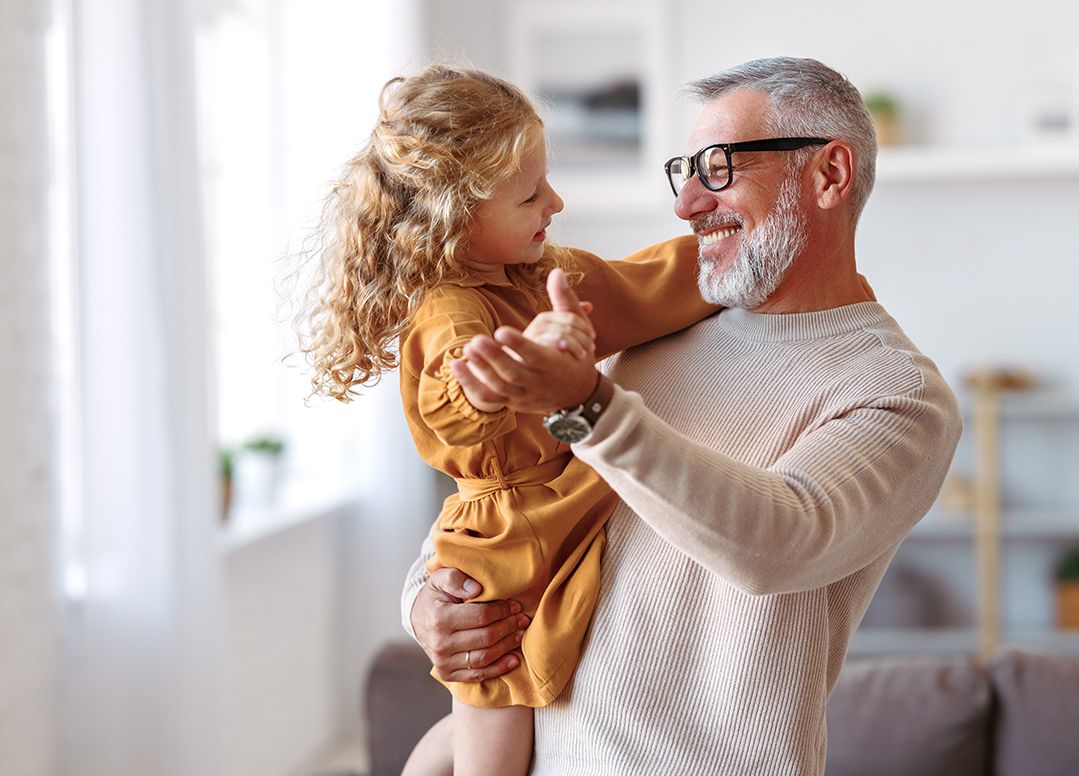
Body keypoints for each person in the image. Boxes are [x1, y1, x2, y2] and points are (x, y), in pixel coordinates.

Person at [402, 57, 964, 775]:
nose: (687, 203)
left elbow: (775, 542)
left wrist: (585, 404)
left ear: (828, 175)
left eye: (720, 168)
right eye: (685, 170)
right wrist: (427, 600)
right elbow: (508, 496)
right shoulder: (645, 333)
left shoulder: (894, 392)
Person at [294, 65, 717, 776]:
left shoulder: (542, 275)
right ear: (454, 216)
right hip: (500, 550)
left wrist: (728, 255)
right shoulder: (451, 309)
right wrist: (518, 370)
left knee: (491, 737)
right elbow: (457, 407)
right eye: (529, 195)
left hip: (561, 503)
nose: (554, 201)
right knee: (494, 746)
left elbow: (641, 287)